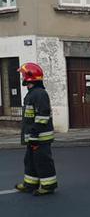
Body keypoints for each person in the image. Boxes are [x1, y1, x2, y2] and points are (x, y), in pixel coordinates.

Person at [14, 62, 57, 196]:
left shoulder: (40, 94)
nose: (22, 78)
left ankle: (48, 186)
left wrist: (34, 135)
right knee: (30, 161)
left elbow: (42, 116)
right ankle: (30, 184)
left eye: (23, 75)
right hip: (33, 137)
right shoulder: (32, 93)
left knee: (43, 161)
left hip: (40, 137)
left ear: (29, 77)